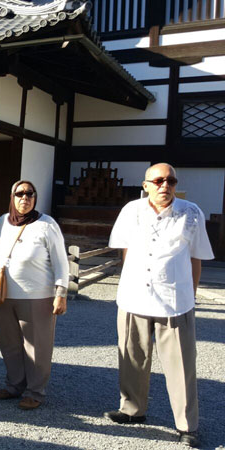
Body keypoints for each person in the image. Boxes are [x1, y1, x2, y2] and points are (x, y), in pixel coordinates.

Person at [105, 163, 213, 448]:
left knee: (181, 366)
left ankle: (187, 425)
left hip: (175, 301)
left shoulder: (191, 213)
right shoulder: (131, 211)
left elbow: (196, 258)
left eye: (171, 181)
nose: (165, 186)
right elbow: (125, 249)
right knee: (132, 358)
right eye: (159, 181)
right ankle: (132, 409)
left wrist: (191, 294)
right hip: (134, 298)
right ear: (146, 185)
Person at [0, 180, 69, 410]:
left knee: (36, 346)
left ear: (35, 197)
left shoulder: (47, 224)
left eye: (30, 194)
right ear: (12, 197)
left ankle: (35, 391)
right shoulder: (2, 221)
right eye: (19, 194)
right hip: (5, 295)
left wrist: (61, 292)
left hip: (37, 295)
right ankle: (14, 385)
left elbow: (61, 261)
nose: (24, 198)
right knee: (9, 344)